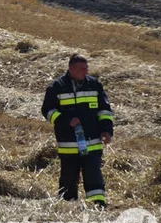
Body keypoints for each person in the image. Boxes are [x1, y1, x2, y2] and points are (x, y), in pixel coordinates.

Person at [41, 54, 114, 206]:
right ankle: (68, 205)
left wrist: (107, 130)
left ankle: (97, 205)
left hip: (92, 142)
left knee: (94, 174)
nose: (85, 72)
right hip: (68, 145)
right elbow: (47, 110)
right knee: (68, 177)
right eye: (82, 69)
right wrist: (66, 121)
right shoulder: (57, 87)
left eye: (86, 68)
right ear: (71, 69)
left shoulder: (95, 85)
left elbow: (105, 110)